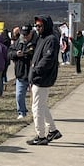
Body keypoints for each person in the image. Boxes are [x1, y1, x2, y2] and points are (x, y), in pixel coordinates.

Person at [26, 15, 61, 146]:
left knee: (37, 108)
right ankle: (53, 130)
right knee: (42, 105)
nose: (37, 28)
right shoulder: (42, 38)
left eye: (40, 26)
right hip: (38, 77)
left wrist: (36, 70)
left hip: (42, 78)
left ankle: (40, 136)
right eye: (36, 26)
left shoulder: (51, 39)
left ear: (46, 26)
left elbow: (48, 59)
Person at [9, 23, 36, 120]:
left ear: (31, 33)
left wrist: (28, 54)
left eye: (27, 34)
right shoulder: (17, 42)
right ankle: (21, 112)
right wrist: (16, 54)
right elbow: (9, 54)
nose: (25, 36)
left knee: (35, 96)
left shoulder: (37, 42)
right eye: (23, 34)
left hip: (34, 74)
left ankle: (36, 112)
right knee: (19, 95)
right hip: (21, 73)